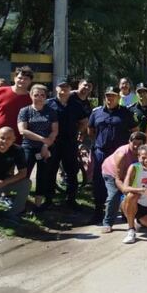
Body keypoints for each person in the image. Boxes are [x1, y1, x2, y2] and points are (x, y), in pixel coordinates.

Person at [88, 86, 137, 225]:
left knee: (122, 180)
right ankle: (98, 211)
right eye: (108, 95)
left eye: (113, 96)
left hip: (119, 154)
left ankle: (124, 211)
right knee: (98, 182)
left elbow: (134, 131)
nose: (110, 98)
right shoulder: (96, 112)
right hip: (101, 153)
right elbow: (90, 131)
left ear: (118, 98)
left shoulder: (126, 113)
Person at [45, 80, 88, 208]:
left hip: (70, 141)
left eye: (66, 87)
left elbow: (84, 121)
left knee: (71, 170)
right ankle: (49, 199)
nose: (64, 89)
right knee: (50, 170)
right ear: (56, 88)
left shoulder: (76, 104)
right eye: (61, 87)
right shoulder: (49, 104)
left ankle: (71, 199)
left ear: (70, 89)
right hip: (53, 141)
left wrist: (78, 131)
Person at [17, 84, 59, 212]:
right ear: (31, 96)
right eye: (36, 95)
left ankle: (38, 205)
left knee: (43, 175)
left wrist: (46, 145)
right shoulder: (25, 111)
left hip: (45, 148)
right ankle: (21, 203)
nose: (39, 98)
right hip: (28, 147)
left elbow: (54, 131)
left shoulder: (51, 112)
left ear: (46, 97)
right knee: (24, 175)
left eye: (42, 95)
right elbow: (22, 130)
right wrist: (42, 139)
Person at [99, 131, 147, 232]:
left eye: (139, 144)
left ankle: (133, 218)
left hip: (129, 174)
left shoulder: (144, 153)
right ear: (129, 141)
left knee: (135, 195)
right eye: (134, 143)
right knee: (115, 195)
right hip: (111, 173)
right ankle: (107, 222)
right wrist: (125, 190)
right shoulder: (122, 154)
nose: (136, 146)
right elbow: (118, 178)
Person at [0, 66, 33, 143]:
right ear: (15, 78)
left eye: (25, 79)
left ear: (30, 81)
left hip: (18, 140)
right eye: (20, 78)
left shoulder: (32, 98)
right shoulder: (0, 91)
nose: (22, 80)